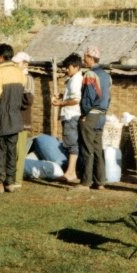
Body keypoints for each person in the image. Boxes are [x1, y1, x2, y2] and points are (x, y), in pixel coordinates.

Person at [0, 43, 26, 193]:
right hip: (15, 119)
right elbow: (24, 99)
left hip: (0, 120)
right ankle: (10, 182)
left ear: (0, 57)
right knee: (11, 152)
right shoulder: (20, 73)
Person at [73, 46, 111, 191]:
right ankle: (100, 181)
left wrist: (84, 114)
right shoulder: (107, 76)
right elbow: (109, 98)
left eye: (85, 57)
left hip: (91, 115)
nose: (83, 60)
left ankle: (85, 182)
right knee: (97, 149)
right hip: (102, 115)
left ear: (90, 58)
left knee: (87, 149)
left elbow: (87, 98)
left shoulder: (89, 74)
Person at [51, 52, 82, 183]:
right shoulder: (73, 79)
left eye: (68, 67)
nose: (66, 70)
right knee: (70, 144)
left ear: (75, 67)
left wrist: (60, 103)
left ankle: (70, 172)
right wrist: (62, 96)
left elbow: (76, 99)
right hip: (69, 114)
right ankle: (71, 172)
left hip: (71, 115)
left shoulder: (76, 80)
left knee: (72, 144)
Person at [11, 51, 35, 188]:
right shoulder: (14, 76)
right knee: (12, 149)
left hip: (22, 119)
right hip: (12, 118)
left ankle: (17, 179)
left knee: (19, 151)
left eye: (17, 63)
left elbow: (28, 100)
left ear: (25, 64)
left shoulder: (28, 79)